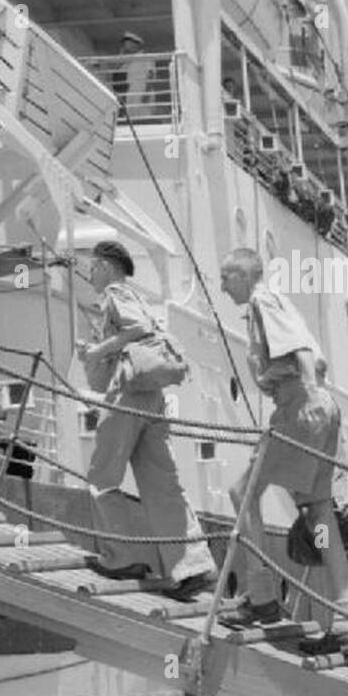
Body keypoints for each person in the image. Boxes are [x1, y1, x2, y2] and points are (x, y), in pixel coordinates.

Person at [217, 248, 348, 655]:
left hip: (300, 406)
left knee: (241, 493)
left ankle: (261, 597)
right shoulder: (281, 302)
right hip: (319, 407)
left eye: (227, 277)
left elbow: (301, 353)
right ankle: (346, 617)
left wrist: (305, 399)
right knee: (318, 513)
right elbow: (320, 360)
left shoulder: (263, 300)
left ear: (244, 275)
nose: (223, 286)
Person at [77, 240, 216, 600]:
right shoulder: (137, 295)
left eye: (93, 267)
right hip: (151, 397)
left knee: (102, 477)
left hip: (128, 394)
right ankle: (191, 565)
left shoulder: (114, 293)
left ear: (106, 267)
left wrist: (96, 349)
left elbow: (136, 330)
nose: (90, 274)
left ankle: (121, 556)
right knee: (162, 483)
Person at [111, 32, 156, 118]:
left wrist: (147, 93)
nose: (125, 46)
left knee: (143, 114)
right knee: (132, 115)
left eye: (127, 44)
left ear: (135, 44)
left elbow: (151, 74)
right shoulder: (131, 59)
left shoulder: (145, 56)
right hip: (132, 88)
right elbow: (117, 69)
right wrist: (122, 54)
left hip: (143, 87)